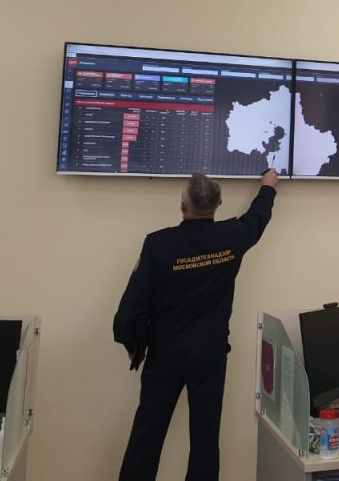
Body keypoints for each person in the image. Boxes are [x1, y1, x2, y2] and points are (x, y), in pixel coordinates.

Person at [114, 170, 279, 481]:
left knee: (147, 435)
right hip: (210, 356)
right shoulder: (232, 237)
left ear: (183, 205)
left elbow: (130, 307)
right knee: (205, 440)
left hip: (164, 355)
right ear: (219, 203)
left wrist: (132, 345)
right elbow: (258, 217)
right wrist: (268, 186)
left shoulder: (158, 245)